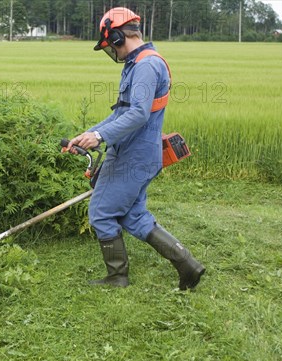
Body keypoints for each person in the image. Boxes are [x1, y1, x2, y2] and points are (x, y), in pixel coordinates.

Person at [66, 7, 205, 290]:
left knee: (101, 212)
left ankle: (117, 278)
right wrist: (91, 133)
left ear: (117, 37)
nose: (112, 52)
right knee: (134, 216)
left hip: (132, 156)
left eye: (109, 45)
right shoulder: (139, 63)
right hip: (141, 154)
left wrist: (100, 136)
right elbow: (122, 113)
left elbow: (139, 115)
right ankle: (188, 266)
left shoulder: (144, 66)